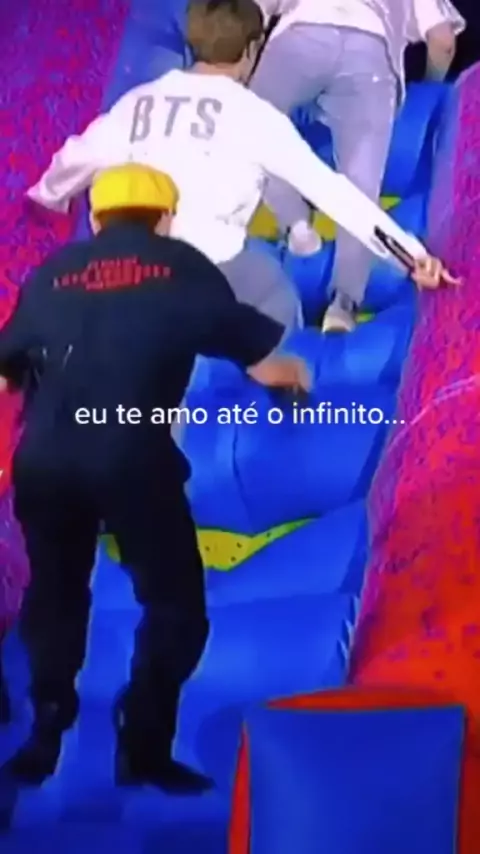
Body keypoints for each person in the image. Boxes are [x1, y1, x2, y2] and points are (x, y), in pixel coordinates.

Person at [0, 163, 311, 791]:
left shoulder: (52, 273)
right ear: (167, 219)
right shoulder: (181, 266)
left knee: (56, 598)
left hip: (47, 462)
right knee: (174, 606)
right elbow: (264, 366)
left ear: (95, 219)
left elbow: (5, 372)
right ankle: (143, 742)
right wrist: (298, 381)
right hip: (133, 459)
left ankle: (45, 731)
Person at [26, 0, 457, 337]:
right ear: (251, 51)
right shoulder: (252, 116)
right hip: (213, 269)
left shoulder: (135, 103)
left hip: (137, 267)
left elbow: (76, 157)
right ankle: (324, 325)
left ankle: (296, 227)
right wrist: (414, 257)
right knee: (278, 296)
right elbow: (337, 193)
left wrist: (47, 196)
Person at [250, 0, 465, 331]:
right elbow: (443, 40)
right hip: (371, 55)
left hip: (298, 40)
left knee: (248, 126)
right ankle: (344, 303)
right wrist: (429, 88)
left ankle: (296, 223)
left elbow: (251, 11)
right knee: (361, 182)